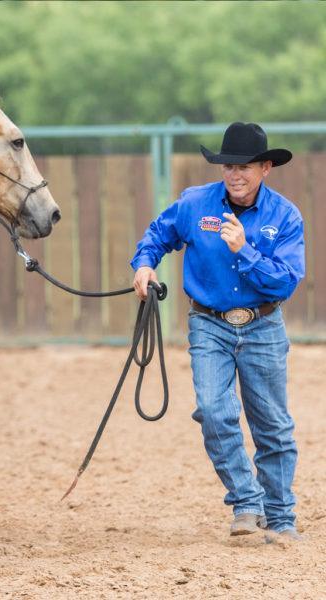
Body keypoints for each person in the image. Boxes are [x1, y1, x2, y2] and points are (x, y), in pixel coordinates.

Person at [130, 122, 305, 541]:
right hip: (209, 323)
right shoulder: (195, 204)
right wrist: (145, 263)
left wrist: (244, 250)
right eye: (229, 166)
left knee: (272, 425)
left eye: (244, 167)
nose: (235, 174)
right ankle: (247, 502)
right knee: (212, 411)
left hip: (263, 324)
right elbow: (158, 234)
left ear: (266, 168)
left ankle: (280, 516)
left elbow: (285, 282)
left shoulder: (285, 216)